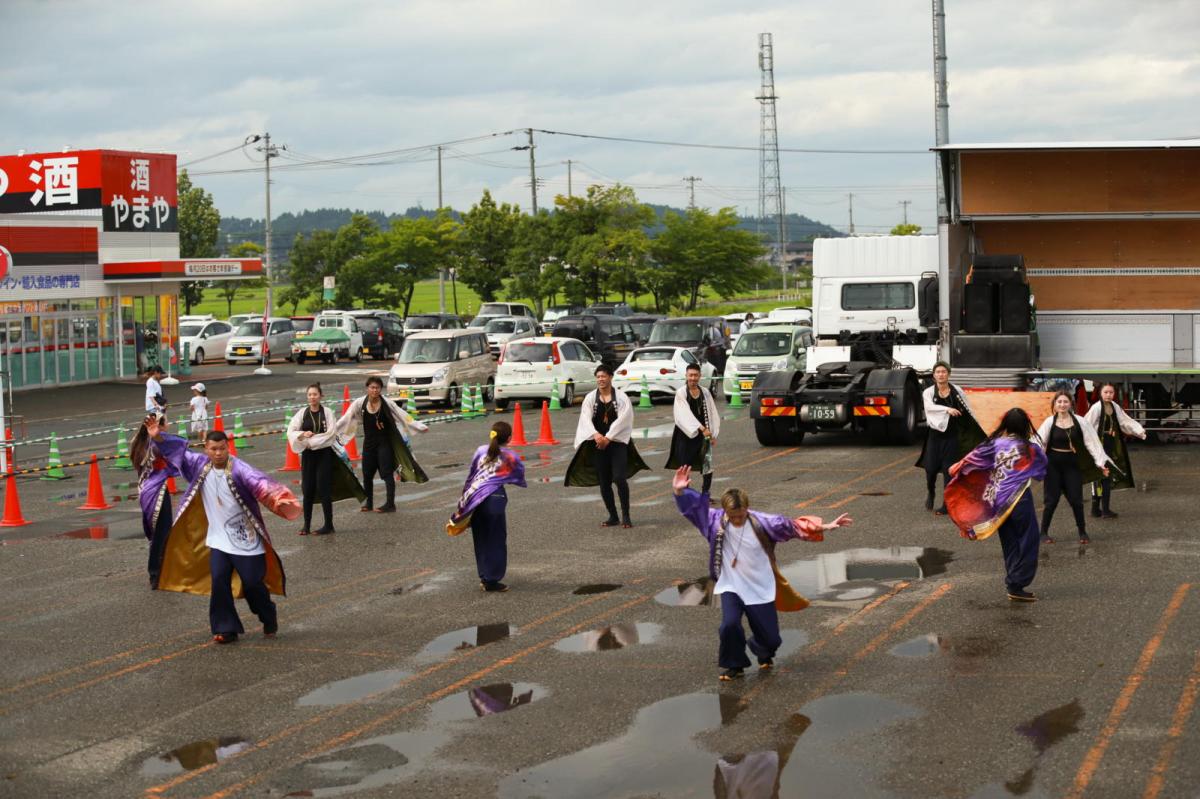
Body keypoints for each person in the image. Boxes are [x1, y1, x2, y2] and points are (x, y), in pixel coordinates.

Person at [673, 465, 851, 681]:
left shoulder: (764, 523)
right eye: (732, 516)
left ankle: (760, 649)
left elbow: (794, 527)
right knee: (729, 625)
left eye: (740, 515)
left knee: (772, 640)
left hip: (760, 585)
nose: (737, 520)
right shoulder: (714, 521)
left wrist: (826, 526)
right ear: (725, 511)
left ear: (747, 508)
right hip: (731, 585)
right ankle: (734, 665)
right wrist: (679, 491)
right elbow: (694, 510)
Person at [146, 422, 301, 643]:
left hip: (246, 540)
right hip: (218, 540)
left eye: (222, 449)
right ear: (206, 449)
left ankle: (268, 615)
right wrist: (158, 437)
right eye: (213, 449)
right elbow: (178, 452)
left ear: (228, 448)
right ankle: (226, 628)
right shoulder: (199, 465)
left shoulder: (240, 469)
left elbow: (261, 484)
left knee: (252, 584)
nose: (218, 453)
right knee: (219, 582)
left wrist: (278, 499)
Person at [944, 408, 1048, 602]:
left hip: (998, 502)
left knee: (1009, 541)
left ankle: (1013, 582)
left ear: (1006, 424)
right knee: (1028, 538)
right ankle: (1018, 582)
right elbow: (1041, 471)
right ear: (1025, 426)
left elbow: (971, 459)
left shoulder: (993, 444)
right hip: (1020, 500)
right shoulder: (1030, 449)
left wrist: (957, 467)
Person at [565, 364, 649, 528]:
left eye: (603, 376)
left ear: (610, 377)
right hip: (598, 444)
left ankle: (626, 515)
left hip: (617, 443)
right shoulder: (590, 398)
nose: (600, 379)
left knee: (619, 478)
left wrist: (609, 437)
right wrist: (596, 435)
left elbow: (624, 420)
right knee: (604, 482)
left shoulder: (622, 398)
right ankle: (613, 516)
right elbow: (585, 419)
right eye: (598, 377)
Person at [447, 421, 527, 593]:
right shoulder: (511, 456)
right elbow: (519, 476)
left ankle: (484, 576)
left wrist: (463, 502)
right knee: (495, 539)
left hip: (474, 497)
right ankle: (492, 579)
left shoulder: (480, 450)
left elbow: (472, 474)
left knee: (481, 538)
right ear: (509, 438)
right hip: (494, 498)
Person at [337, 376, 430, 513]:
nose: (375, 390)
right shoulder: (359, 403)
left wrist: (418, 426)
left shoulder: (387, 403)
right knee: (367, 474)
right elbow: (346, 418)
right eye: (372, 387)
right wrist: (333, 431)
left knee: (387, 474)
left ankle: (390, 504)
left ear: (381, 389)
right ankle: (368, 503)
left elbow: (402, 415)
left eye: (377, 388)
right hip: (369, 444)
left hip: (384, 443)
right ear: (367, 388)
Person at [287, 383, 366, 535]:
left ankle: (329, 525)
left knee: (324, 489)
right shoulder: (302, 413)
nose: (312, 397)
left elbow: (330, 435)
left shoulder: (327, 412)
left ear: (320, 396)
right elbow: (291, 431)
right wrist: (302, 434)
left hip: (324, 455)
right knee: (307, 490)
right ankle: (306, 525)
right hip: (308, 456)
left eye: (315, 394)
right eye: (310, 394)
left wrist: (310, 441)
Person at [1035, 391, 1109, 545]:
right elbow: (1038, 443)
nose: (1062, 405)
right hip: (1053, 466)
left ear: (1071, 404)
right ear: (1055, 404)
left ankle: (1082, 532)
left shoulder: (1080, 422)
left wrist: (1100, 462)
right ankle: (1043, 532)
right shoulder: (1049, 422)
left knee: (1076, 500)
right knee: (1051, 501)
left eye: (1065, 402)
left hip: (1072, 465)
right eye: (1059, 402)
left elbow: (1092, 442)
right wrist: (1028, 462)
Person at [916, 362, 985, 514]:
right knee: (931, 469)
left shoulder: (957, 391)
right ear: (934, 375)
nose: (941, 374)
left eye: (944, 372)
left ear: (948, 374)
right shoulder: (928, 392)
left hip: (952, 436)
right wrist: (947, 409)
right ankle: (931, 491)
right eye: (938, 372)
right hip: (935, 435)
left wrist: (975, 427)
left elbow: (968, 409)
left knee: (949, 470)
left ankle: (946, 504)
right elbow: (929, 408)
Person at [1084, 383, 1146, 519]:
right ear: (1100, 393)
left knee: (1102, 477)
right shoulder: (1096, 407)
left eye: (1111, 392)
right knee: (1103, 477)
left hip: (1110, 445)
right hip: (1098, 446)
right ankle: (1104, 510)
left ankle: (1096, 509)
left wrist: (1139, 431)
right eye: (1106, 392)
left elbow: (1124, 421)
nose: (1108, 395)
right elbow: (1086, 425)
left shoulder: (1114, 406)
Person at [132, 412, 180, 587]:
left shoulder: (140, 442)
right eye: (166, 423)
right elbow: (176, 451)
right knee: (162, 532)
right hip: (156, 490)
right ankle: (156, 573)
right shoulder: (155, 445)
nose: (169, 425)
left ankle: (159, 570)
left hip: (145, 489)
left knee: (158, 532)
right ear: (158, 426)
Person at [665, 362, 720, 494]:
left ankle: (705, 494)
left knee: (707, 464)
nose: (693, 378)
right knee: (685, 466)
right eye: (690, 375)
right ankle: (686, 493)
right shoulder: (681, 393)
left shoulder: (705, 392)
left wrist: (712, 433)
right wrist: (701, 428)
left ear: (700, 376)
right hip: (685, 433)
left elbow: (712, 413)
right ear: (686, 375)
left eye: (696, 375)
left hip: (704, 434)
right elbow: (683, 415)